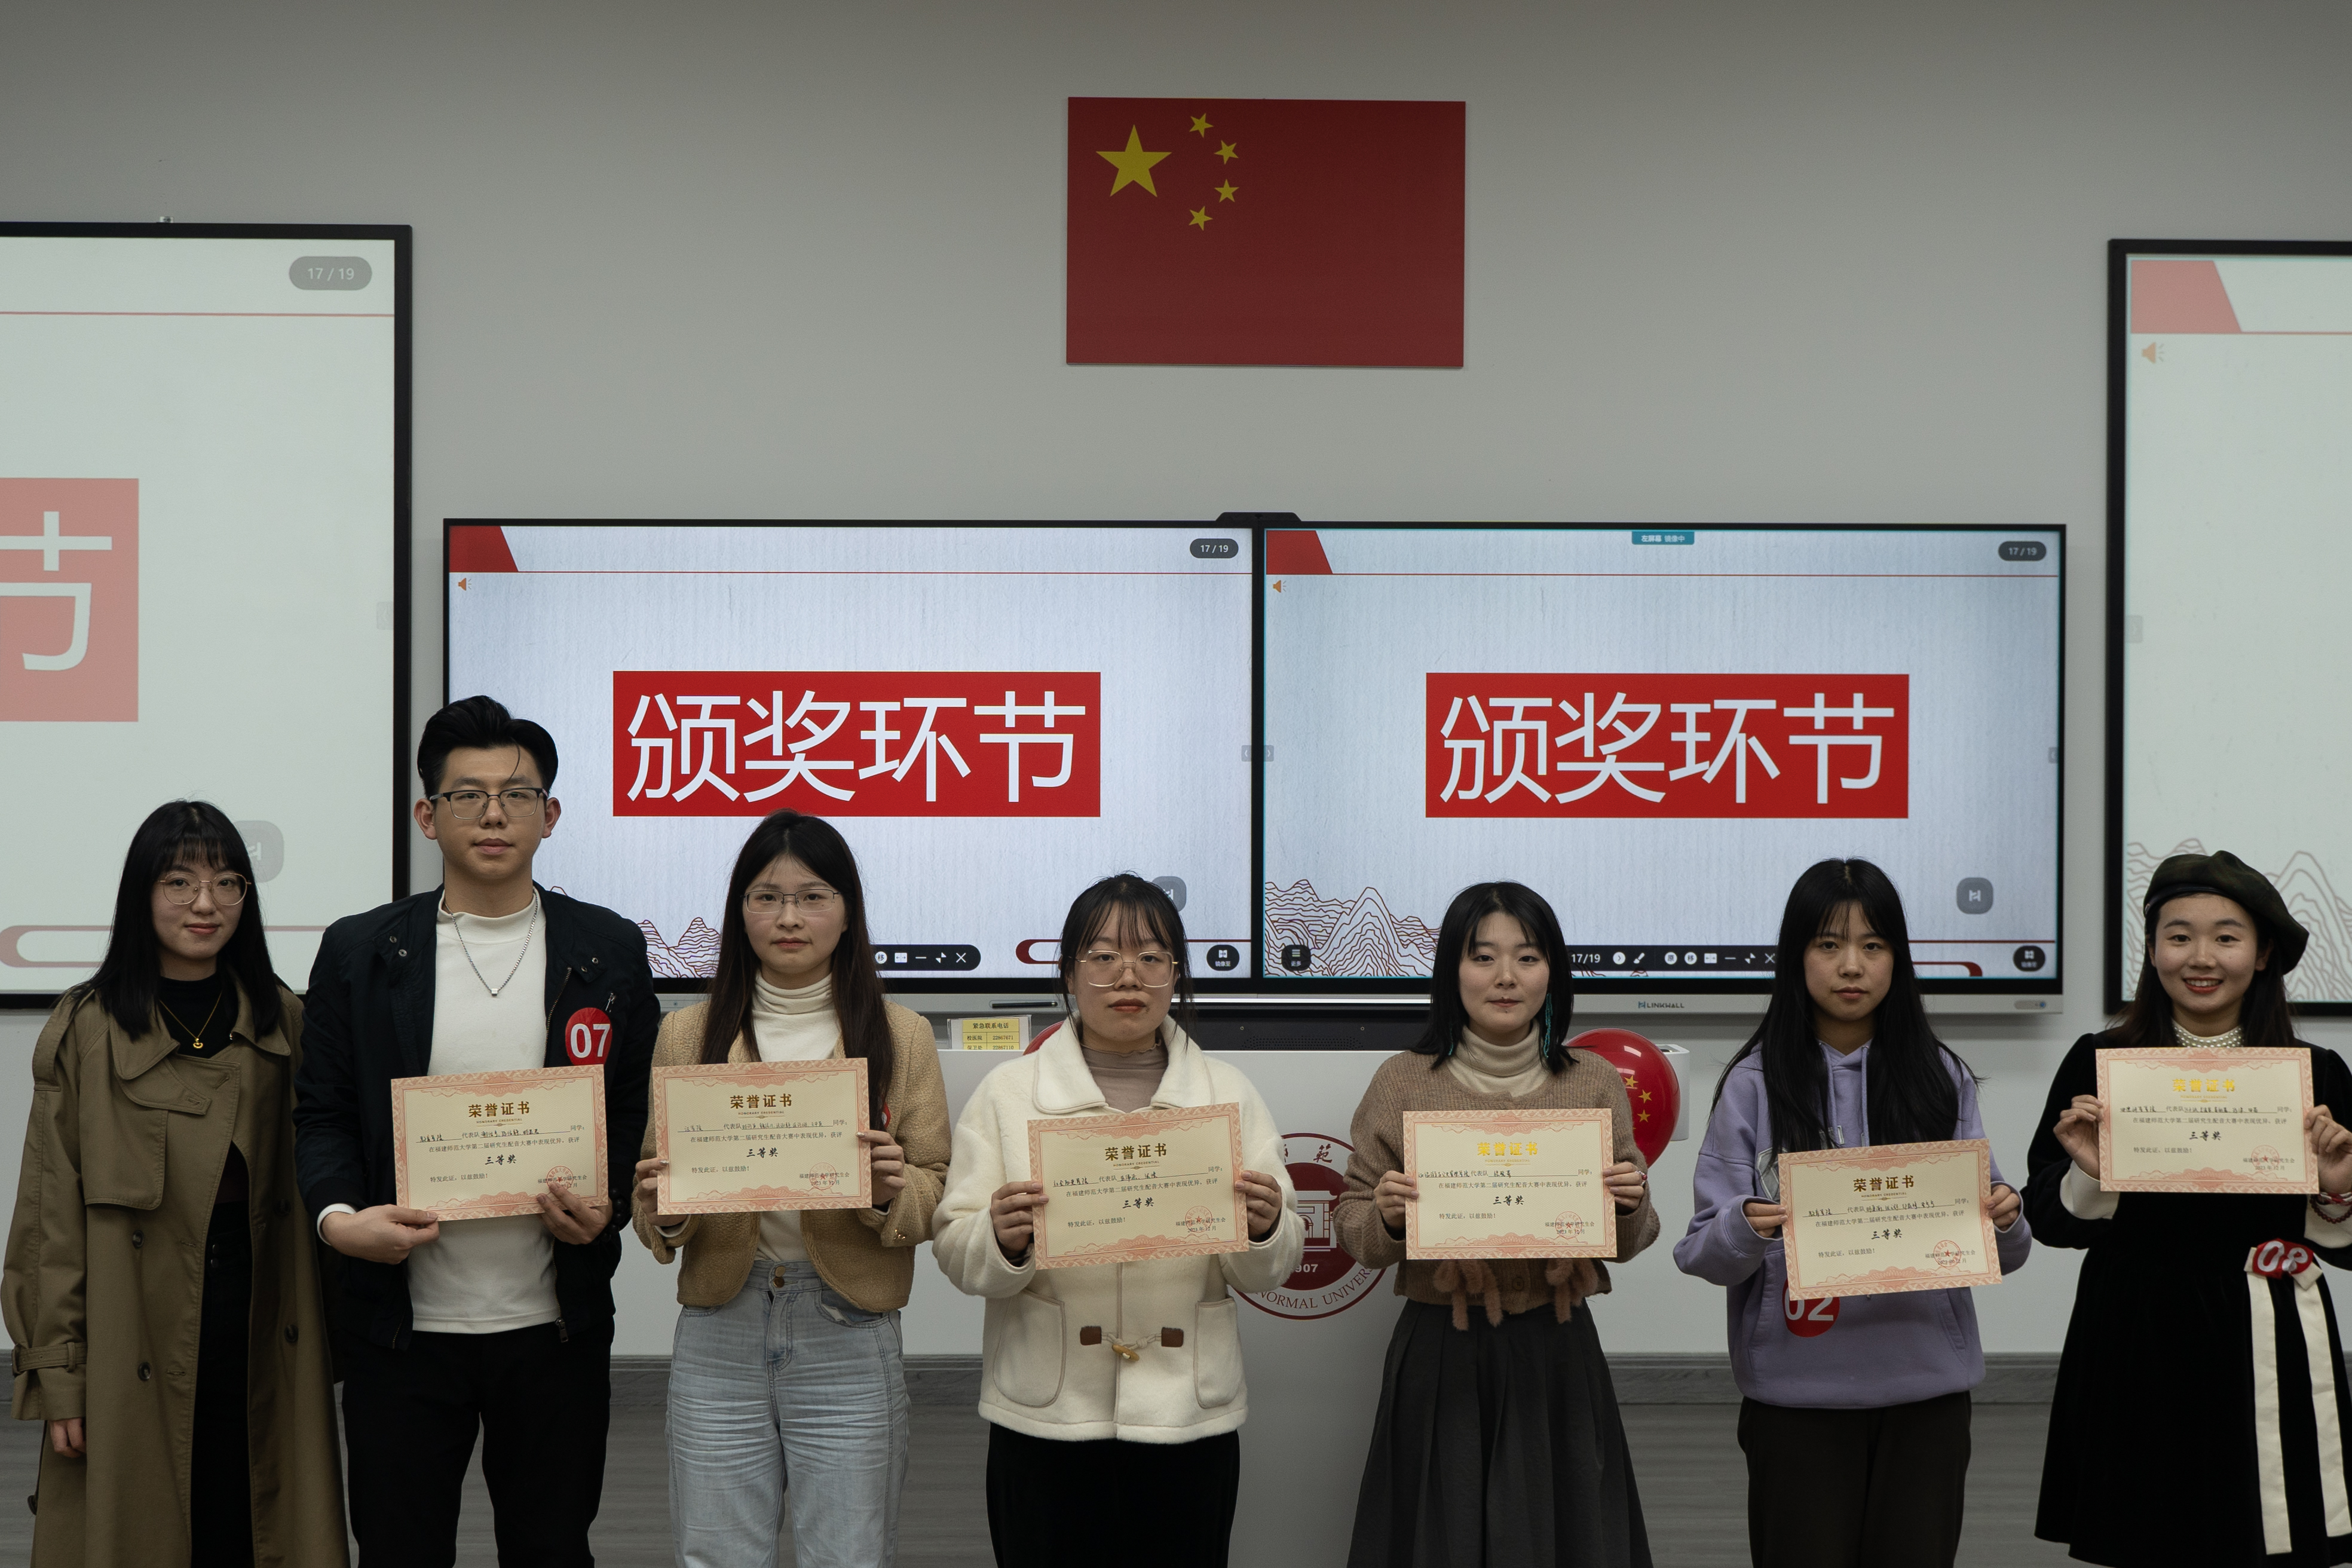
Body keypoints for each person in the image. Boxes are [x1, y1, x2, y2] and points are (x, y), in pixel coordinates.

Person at [293, 695, 659, 1566]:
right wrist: (341, 1222)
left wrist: (607, 1203)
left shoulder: (606, 948)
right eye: (468, 795)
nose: (494, 815)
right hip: (402, 1328)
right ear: (429, 815)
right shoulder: (360, 951)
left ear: (549, 814)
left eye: (516, 795)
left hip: (555, 1323)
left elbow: (631, 1107)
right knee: (399, 1549)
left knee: (551, 1547)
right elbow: (323, 1113)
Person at [4, 800, 346, 1568]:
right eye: (180, 881)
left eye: (228, 882)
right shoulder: (87, 1027)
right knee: (143, 1525)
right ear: (142, 893)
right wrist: (60, 1375)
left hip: (261, 1312)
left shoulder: (286, 1019)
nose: (205, 903)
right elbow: (48, 1219)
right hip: (132, 1319)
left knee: (254, 1518)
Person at [933, 874, 1303, 1568]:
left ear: (1176, 972)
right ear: (1070, 971)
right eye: (1103, 956)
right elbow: (956, 1248)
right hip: (1047, 1411)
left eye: (1151, 957)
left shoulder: (1228, 1092)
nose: (1128, 976)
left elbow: (1270, 1266)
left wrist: (1265, 1226)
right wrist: (1001, 1236)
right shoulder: (1008, 1093)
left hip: (1185, 1412)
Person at [1674, 858, 2031, 1568]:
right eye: (1828, 944)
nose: (1851, 965)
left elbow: (2006, 1247)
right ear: (1796, 956)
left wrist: (2006, 1215)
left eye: (1873, 945)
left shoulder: (1940, 1076)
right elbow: (1703, 1252)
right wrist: (1749, 1223)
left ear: (1898, 957)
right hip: (1796, 1397)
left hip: (1927, 1391)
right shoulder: (1753, 1084)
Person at [629, 810, 951, 1568]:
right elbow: (653, 1194)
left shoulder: (900, 1033)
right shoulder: (688, 1034)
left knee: (849, 1554)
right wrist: (663, 1212)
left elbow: (935, 1185)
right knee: (716, 1553)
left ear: (848, 911)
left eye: (812, 896)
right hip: (721, 1321)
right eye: (767, 897)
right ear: (741, 910)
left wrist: (888, 1193)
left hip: (848, 1323)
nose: (789, 917)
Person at [2027, 850, 2352, 1566]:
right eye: (2179, 936)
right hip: (2136, 1324)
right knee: (2145, 1532)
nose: (2201, 957)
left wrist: (2334, 1189)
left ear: (2262, 954)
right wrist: (2093, 1172)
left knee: (2266, 1536)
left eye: (2226, 937)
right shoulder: (2100, 1061)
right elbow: (2046, 1217)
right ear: (2152, 949)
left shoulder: (2317, 1073)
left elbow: (2350, 1241)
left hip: (2266, 1323)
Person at [1337, 880, 1659, 1568]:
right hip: (1442, 1351)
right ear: (1452, 970)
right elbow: (1355, 1231)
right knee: (1440, 1537)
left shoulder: (1593, 1080)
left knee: (1565, 1533)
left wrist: (1630, 1204)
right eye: (1483, 956)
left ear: (1553, 971)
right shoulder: (1402, 1081)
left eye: (1528, 956)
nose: (1506, 976)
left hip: (1557, 1346)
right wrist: (1386, 1215)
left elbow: (1633, 1239)